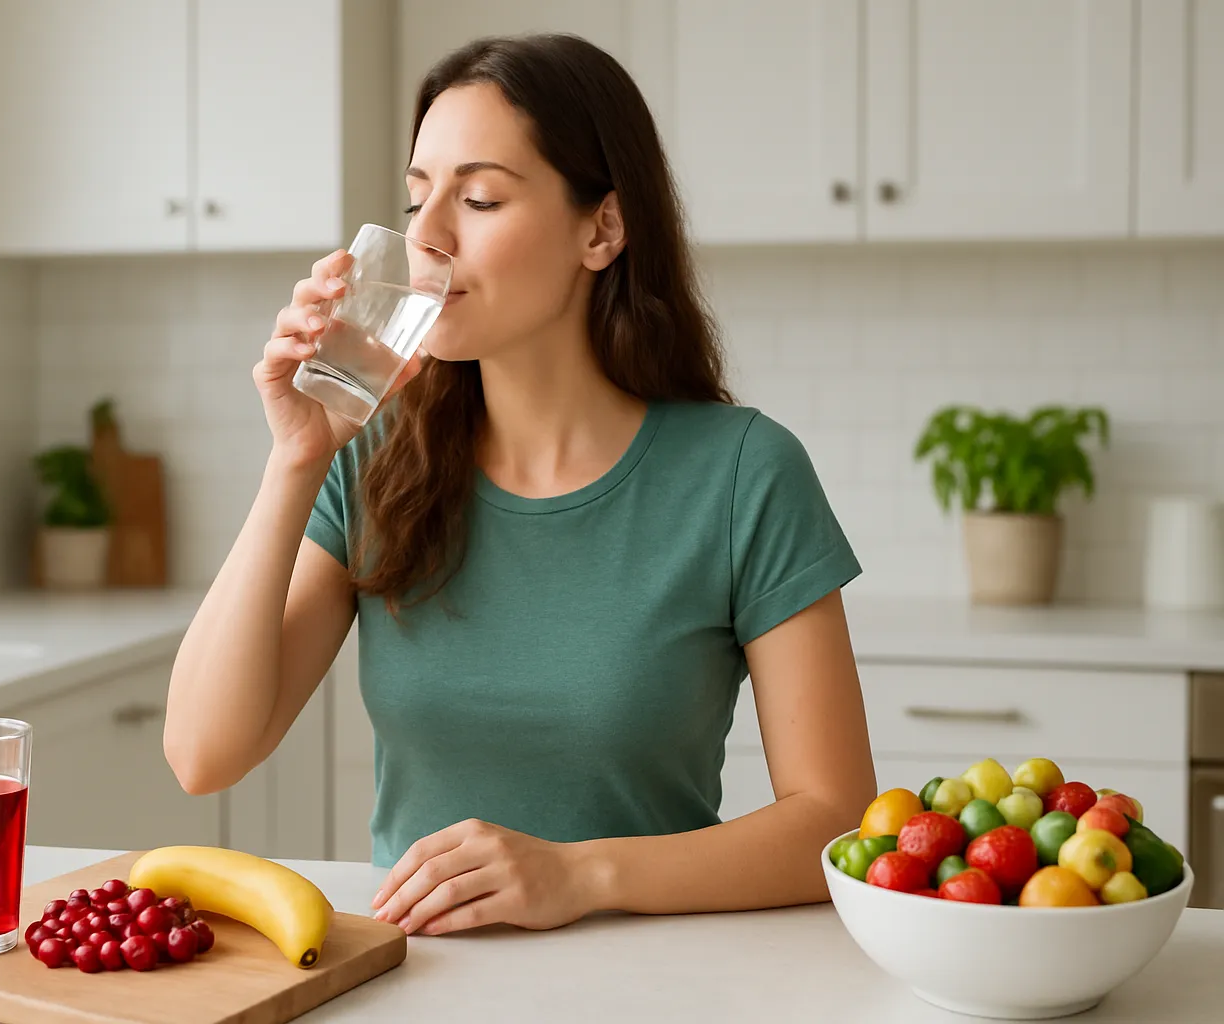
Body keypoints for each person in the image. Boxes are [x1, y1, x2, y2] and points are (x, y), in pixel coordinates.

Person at [163, 33, 876, 938]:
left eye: (481, 197)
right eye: (419, 197)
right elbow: (201, 754)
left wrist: (581, 873)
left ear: (602, 229)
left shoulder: (742, 473)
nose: (427, 236)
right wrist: (296, 459)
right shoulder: (374, 458)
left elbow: (836, 820)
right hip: (417, 981)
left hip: (662, 979)